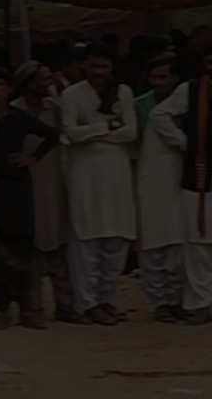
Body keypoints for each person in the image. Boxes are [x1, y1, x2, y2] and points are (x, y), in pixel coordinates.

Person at [0, 67, 59, 330]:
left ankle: (29, 309)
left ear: (10, 89)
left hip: (17, 188)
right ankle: (3, 309)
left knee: (23, 249)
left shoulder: (19, 118)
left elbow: (51, 135)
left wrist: (32, 158)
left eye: (0, 84)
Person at [60, 42, 137, 326]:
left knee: (116, 242)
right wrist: (107, 127)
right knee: (86, 241)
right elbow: (69, 132)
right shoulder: (71, 94)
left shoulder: (123, 92)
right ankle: (87, 303)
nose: (98, 72)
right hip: (86, 176)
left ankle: (106, 299)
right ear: (84, 66)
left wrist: (91, 132)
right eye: (93, 65)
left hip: (116, 175)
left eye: (104, 66)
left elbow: (130, 131)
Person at [148, 44, 212, 325]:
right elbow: (159, 115)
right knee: (199, 242)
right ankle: (201, 302)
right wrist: (184, 142)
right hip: (199, 176)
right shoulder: (192, 90)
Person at [10, 61, 76, 323]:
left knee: (58, 244)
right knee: (31, 248)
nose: (48, 83)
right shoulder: (15, 111)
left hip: (53, 183)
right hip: (26, 186)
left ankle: (66, 305)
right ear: (28, 83)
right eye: (43, 78)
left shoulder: (55, 109)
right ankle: (32, 308)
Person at [132, 56, 185, 322]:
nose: (158, 83)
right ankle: (160, 301)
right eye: (153, 77)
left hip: (181, 179)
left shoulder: (188, 104)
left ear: (176, 78)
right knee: (152, 241)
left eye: (163, 77)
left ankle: (178, 299)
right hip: (149, 178)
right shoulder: (139, 106)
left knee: (178, 241)